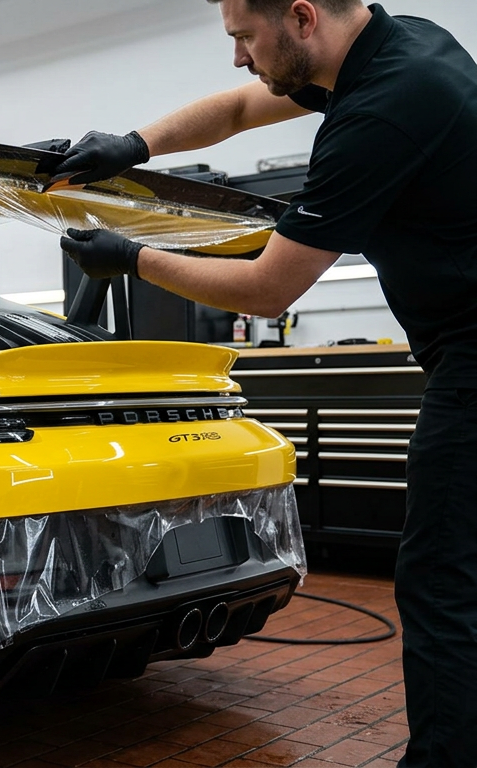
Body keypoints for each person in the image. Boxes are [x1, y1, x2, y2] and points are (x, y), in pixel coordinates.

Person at [50, 2, 477, 765]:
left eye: (244, 37)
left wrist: (131, 257)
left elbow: (267, 289)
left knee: (441, 576)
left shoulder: (379, 113)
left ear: (302, 18)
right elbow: (240, 109)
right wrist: (133, 145)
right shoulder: (399, 45)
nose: (239, 57)